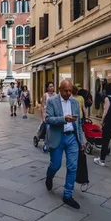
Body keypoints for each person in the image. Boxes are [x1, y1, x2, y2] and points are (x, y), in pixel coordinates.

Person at [45, 79, 84, 209]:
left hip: (72, 137)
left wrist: (81, 139)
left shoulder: (74, 102)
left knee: (72, 167)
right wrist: (63, 119)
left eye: (70, 91)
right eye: (66, 91)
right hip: (58, 137)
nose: (68, 93)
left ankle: (68, 195)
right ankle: (49, 176)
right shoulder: (52, 101)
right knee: (55, 165)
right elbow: (48, 119)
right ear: (60, 90)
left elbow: (78, 122)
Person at [41, 82, 56, 153]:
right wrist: (43, 117)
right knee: (48, 130)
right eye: (50, 86)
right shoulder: (45, 95)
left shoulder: (56, 95)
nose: (51, 88)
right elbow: (42, 106)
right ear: (47, 88)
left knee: (54, 131)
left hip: (54, 116)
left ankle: (52, 144)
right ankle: (46, 144)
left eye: (52, 86)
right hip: (47, 115)